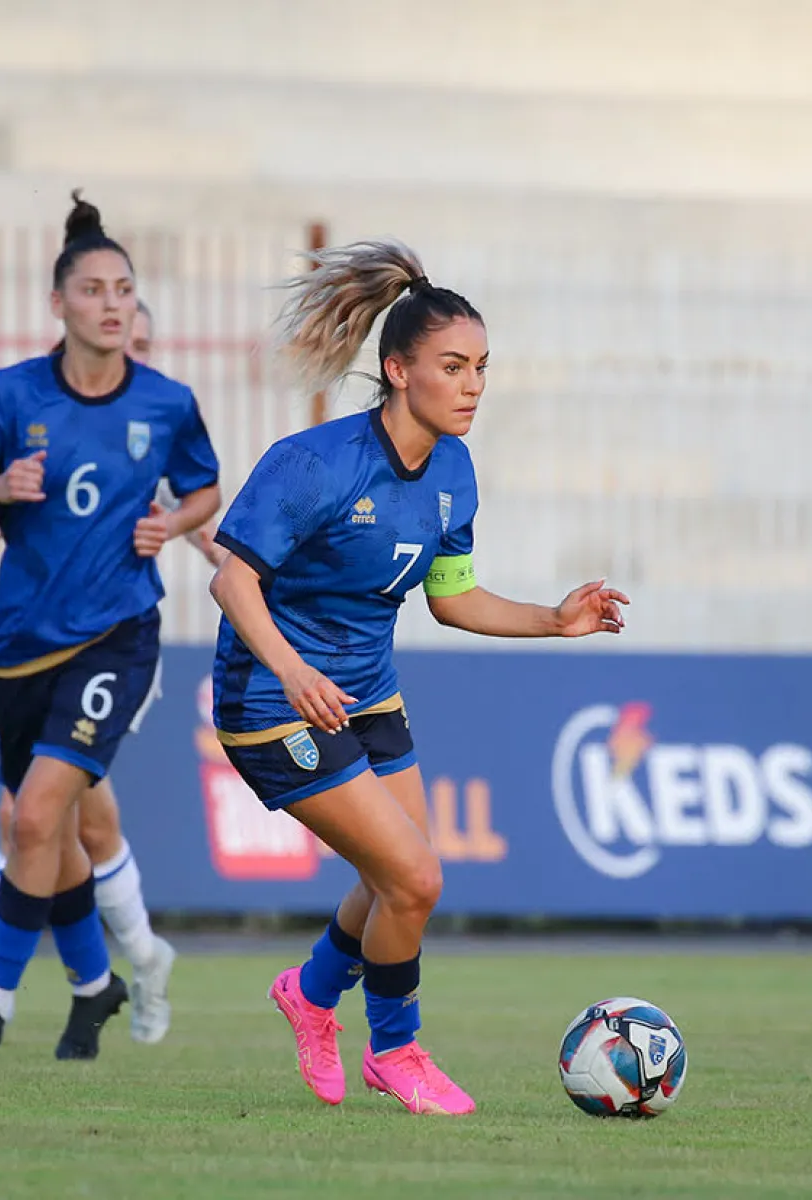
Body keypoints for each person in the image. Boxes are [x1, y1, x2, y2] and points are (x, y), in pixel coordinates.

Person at [207, 241, 628, 1115]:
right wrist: (292, 670)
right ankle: (395, 1052)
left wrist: (555, 619)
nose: (473, 385)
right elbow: (232, 580)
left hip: (367, 693)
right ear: (398, 371)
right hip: (274, 702)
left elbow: (453, 597)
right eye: (453, 366)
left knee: (394, 876)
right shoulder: (316, 463)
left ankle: (311, 994)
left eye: (481, 367)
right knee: (416, 879)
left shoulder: (453, 471)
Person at [0, 192, 221, 1062]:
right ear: (57, 302)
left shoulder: (166, 404)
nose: (112, 304)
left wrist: (171, 525)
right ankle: (103, 980)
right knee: (51, 829)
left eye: (124, 290)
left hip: (118, 637)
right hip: (22, 645)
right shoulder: (8, 395)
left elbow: (205, 492)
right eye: (93, 290)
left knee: (34, 816)